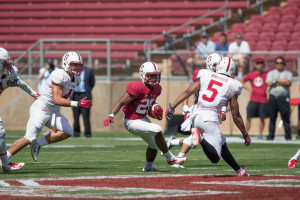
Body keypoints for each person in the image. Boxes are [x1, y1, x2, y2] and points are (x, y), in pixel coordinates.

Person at [165, 57, 251, 176]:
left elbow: (188, 91)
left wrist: (172, 107)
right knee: (215, 158)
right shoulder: (233, 84)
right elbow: (236, 115)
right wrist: (245, 134)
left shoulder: (206, 74)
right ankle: (199, 138)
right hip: (209, 119)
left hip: (196, 116)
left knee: (222, 142)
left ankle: (238, 169)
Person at [6, 52, 93, 163]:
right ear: (66, 64)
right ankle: (4, 159)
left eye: (79, 65)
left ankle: (38, 145)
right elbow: (57, 99)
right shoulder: (59, 74)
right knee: (29, 137)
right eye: (74, 64)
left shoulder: (77, 79)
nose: (77, 67)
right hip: (42, 109)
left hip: (52, 111)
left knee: (68, 131)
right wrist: (78, 103)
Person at [103, 62, 187, 172]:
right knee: (157, 129)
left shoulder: (157, 89)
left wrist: (154, 112)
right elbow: (121, 102)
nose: (154, 78)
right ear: (143, 75)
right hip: (131, 121)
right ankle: (170, 158)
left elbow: (148, 106)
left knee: (154, 146)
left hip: (142, 119)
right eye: (151, 75)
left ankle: (148, 167)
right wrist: (111, 115)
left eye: (156, 75)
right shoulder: (137, 87)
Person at [167, 53, 226, 159]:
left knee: (197, 138)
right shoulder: (203, 74)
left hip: (212, 111)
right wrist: (185, 110)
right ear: (210, 64)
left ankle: (175, 145)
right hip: (199, 109)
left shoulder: (224, 77)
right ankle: (179, 155)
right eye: (216, 64)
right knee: (199, 136)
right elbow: (188, 92)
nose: (219, 67)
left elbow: (226, 96)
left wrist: (223, 109)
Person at [0, 47, 39, 172]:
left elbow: (19, 82)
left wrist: (34, 94)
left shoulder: (10, 71)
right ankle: (5, 164)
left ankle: (5, 164)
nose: (7, 64)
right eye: (4, 62)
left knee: (1, 133)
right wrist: (4, 84)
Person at [266, 56, 292, 141]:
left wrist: (276, 80)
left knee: (285, 117)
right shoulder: (271, 73)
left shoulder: (288, 73)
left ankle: (288, 136)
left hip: (283, 98)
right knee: (272, 117)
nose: (279, 64)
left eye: (281, 63)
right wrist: (282, 81)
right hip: (273, 97)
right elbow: (269, 83)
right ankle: (271, 136)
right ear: (275, 64)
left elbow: (288, 82)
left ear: (284, 64)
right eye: (277, 63)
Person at [240, 58, 268, 139]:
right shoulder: (251, 74)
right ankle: (245, 134)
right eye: (258, 63)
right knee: (248, 117)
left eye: (261, 63)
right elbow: (242, 81)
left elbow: (271, 82)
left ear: (263, 65)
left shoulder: (266, 75)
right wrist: (249, 89)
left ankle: (260, 134)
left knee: (262, 118)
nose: (259, 65)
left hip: (263, 100)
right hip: (253, 99)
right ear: (256, 65)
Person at [70, 65, 95, 138]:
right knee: (75, 115)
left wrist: (87, 90)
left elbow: (92, 82)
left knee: (86, 115)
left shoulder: (88, 70)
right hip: (75, 95)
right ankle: (76, 133)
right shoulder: (73, 71)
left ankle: (87, 133)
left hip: (85, 95)